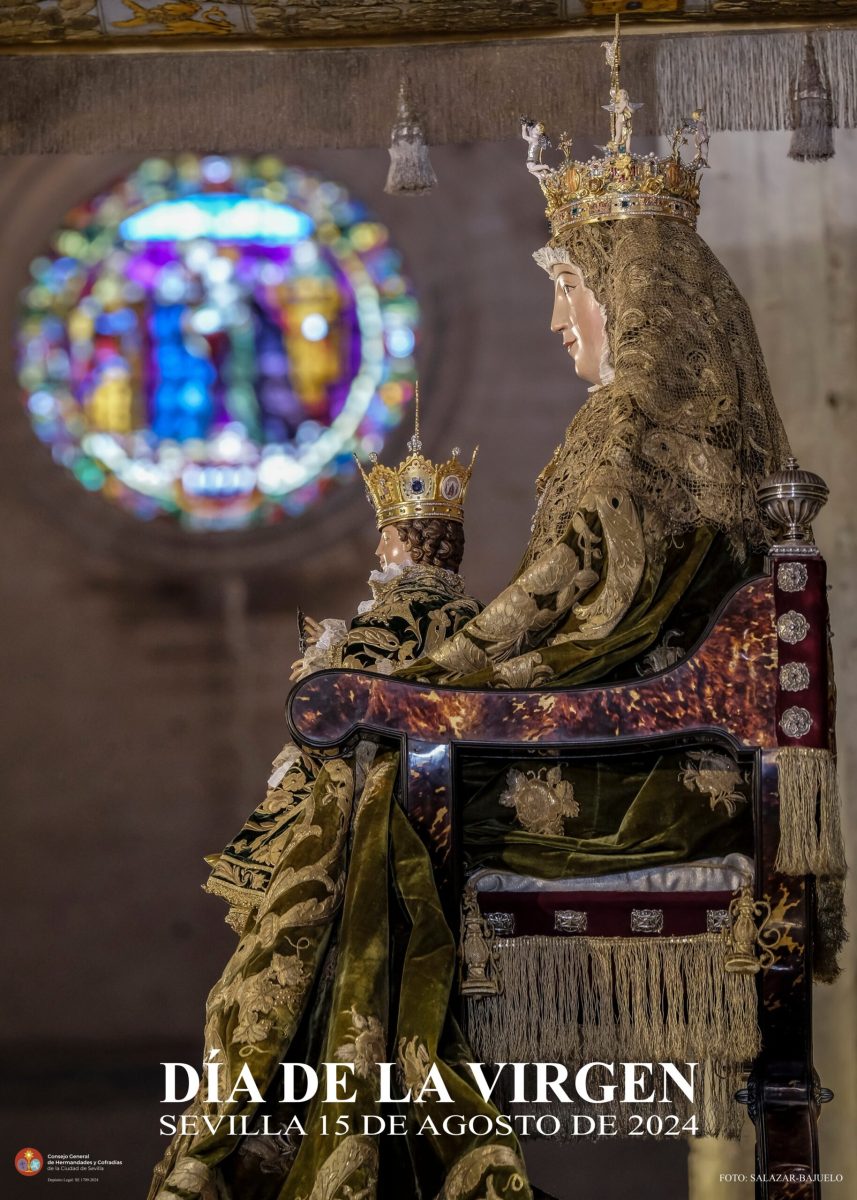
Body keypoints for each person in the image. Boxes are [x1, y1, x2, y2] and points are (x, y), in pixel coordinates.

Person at [150, 26, 795, 1200]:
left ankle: (315, 1145)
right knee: (371, 771)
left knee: (365, 792)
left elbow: (557, 616)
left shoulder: (627, 436)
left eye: (571, 293)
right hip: (665, 740)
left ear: (626, 296)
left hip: (644, 773)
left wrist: (415, 671)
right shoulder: (677, 435)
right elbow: (582, 615)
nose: (560, 327)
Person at [204, 400, 480, 935]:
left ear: (416, 542)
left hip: (396, 774)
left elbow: (362, 676)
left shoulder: (405, 607)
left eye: (390, 536)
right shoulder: (470, 611)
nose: (379, 549)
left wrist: (321, 658)